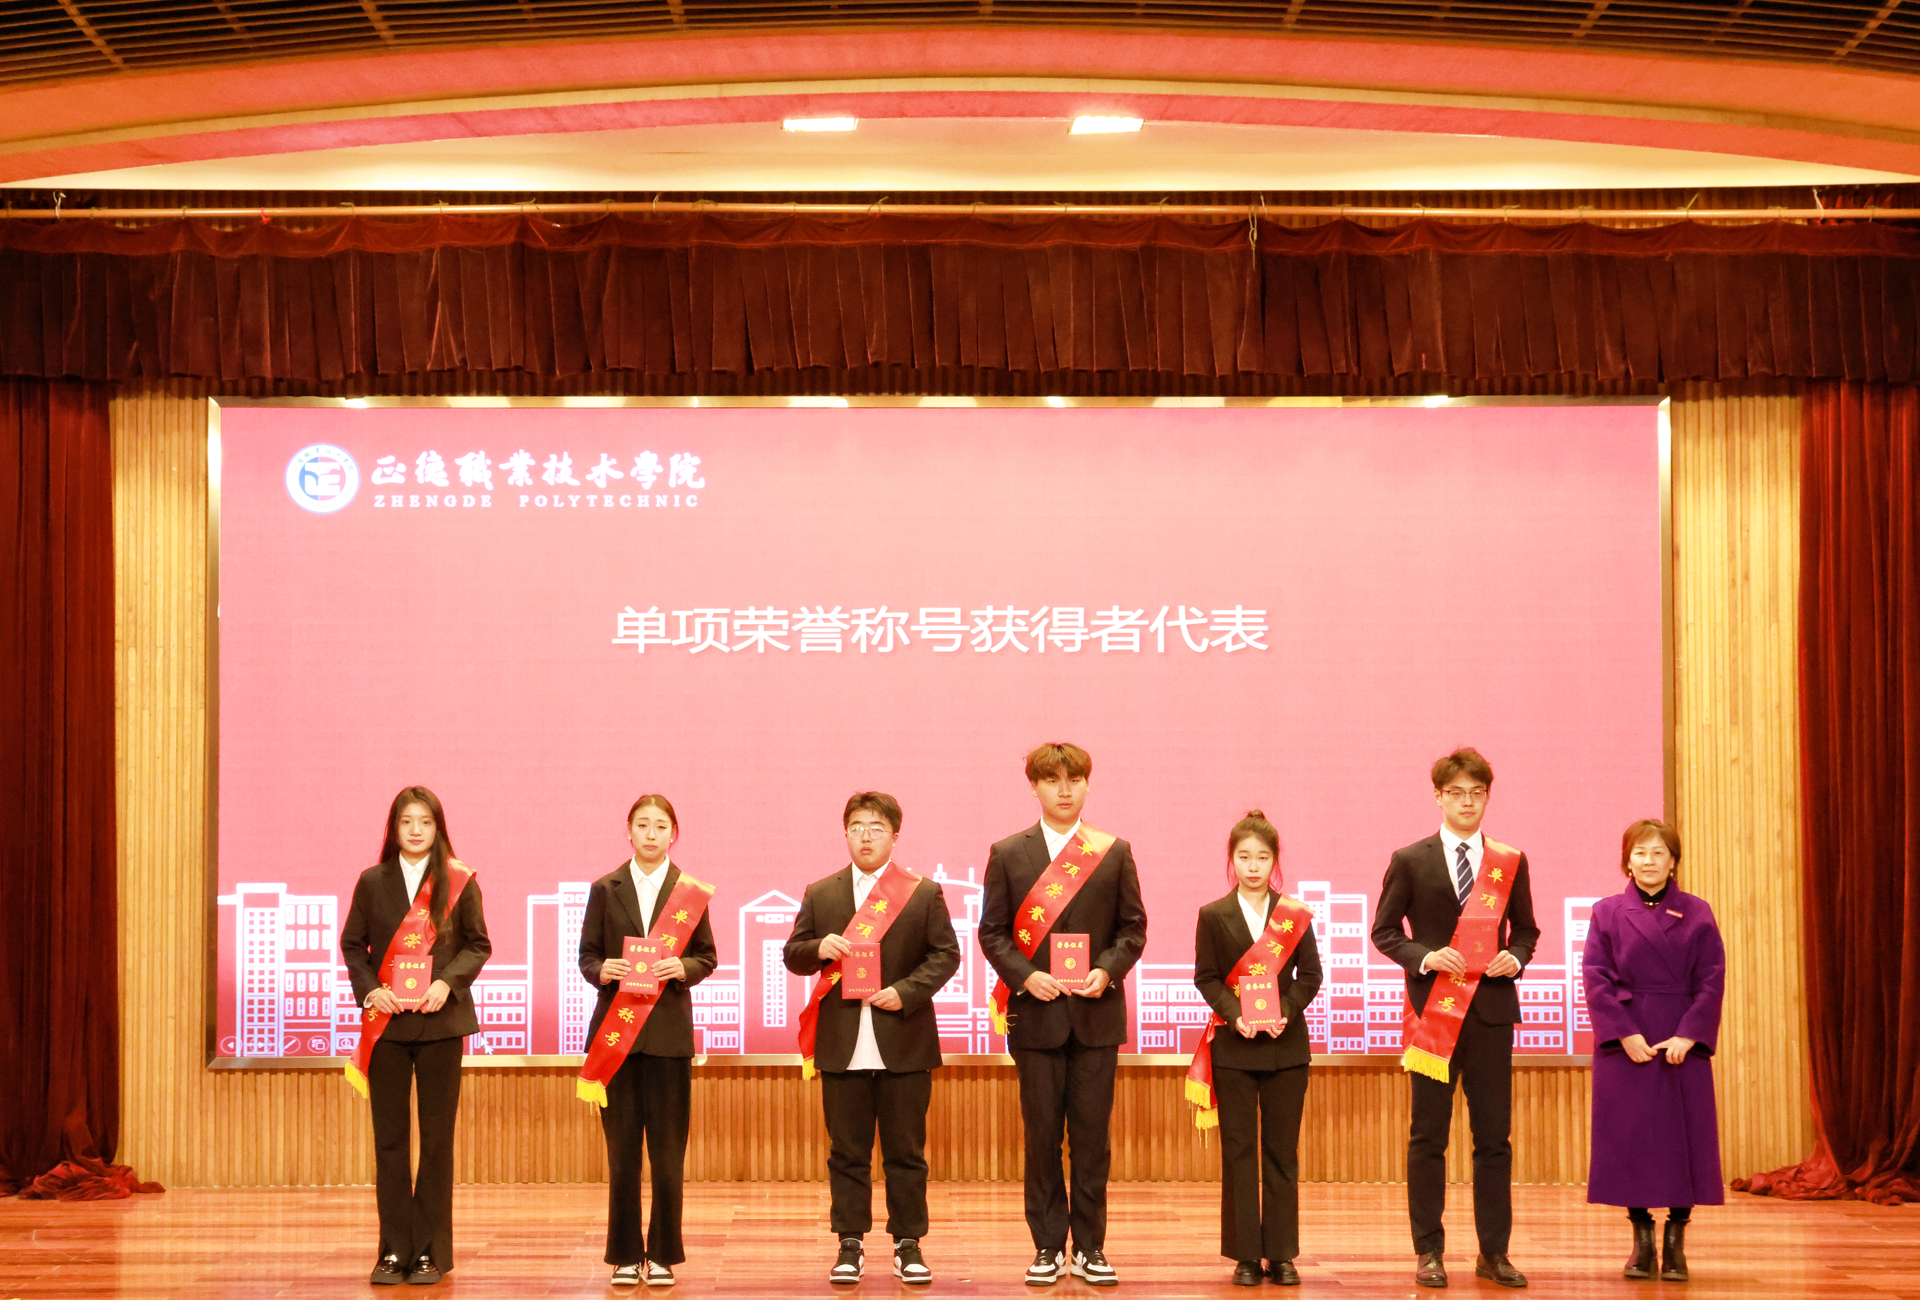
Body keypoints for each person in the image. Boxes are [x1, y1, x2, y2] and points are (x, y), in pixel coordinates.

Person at [979, 742, 1148, 1288]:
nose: (1064, 789)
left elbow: (1133, 929)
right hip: (1036, 1017)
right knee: (1042, 1136)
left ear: (1087, 784)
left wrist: (1107, 969)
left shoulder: (1113, 851)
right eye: (1052, 779)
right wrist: (1025, 976)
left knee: (1093, 1139)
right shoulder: (1009, 852)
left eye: (1074, 779)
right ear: (1034, 786)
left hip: (1096, 1017)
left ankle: (1091, 1247)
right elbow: (993, 933)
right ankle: (1048, 1246)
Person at [1371, 748, 1539, 1290]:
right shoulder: (1409, 859)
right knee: (1428, 1138)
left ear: (1487, 796)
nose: (1467, 802)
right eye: (1456, 793)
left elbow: (1527, 930)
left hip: (1491, 1014)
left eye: (1477, 793)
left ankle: (1494, 1252)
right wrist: (1424, 956)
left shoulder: (1509, 861)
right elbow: (1384, 931)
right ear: (1438, 797)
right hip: (1435, 1017)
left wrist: (1517, 957)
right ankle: (1429, 1251)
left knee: (1494, 1139)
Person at [784, 792, 960, 1288]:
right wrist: (818, 947)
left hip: (904, 1039)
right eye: (857, 826)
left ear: (895, 836)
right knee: (847, 1151)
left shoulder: (922, 893)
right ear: (845, 833)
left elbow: (945, 955)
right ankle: (850, 1242)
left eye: (877, 827)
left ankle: (909, 1243)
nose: (866, 836)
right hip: (842, 1042)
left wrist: (905, 992)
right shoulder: (822, 893)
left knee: (906, 1151)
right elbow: (793, 954)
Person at [341, 786, 492, 1287]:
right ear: (394, 827)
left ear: (438, 828)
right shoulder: (372, 881)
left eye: (425, 822)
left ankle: (429, 1251)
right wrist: (370, 991)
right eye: (407, 821)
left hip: (441, 1025)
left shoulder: (458, 880)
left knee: (436, 1142)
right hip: (387, 1026)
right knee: (389, 1141)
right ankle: (392, 1250)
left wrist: (447, 983)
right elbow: (353, 946)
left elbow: (478, 945)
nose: (415, 830)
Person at [576, 794, 718, 1288]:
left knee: (667, 1155)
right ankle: (624, 1254)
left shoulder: (690, 893)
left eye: (660, 826)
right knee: (622, 1156)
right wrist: (602, 970)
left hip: (668, 1037)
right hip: (615, 1038)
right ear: (629, 831)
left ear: (673, 834)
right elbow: (587, 955)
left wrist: (684, 966)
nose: (651, 834)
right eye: (642, 825)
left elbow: (707, 957)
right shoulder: (604, 888)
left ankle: (662, 1254)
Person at [1583, 818, 1725, 1283]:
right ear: (1627, 861)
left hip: (1680, 1039)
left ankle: (1676, 1239)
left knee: (1684, 1139)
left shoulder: (1698, 912)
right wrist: (1623, 1033)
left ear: (1673, 861)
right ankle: (1641, 1239)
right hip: (1628, 1042)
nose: (1649, 861)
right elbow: (1596, 978)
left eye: (1658, 852)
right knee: (1632, 1139)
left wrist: (1689, 1034)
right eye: (1640, 853)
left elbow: (1711, 979)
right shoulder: (1606, 912)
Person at [1188, 810, 1323, 1287]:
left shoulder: (1295, 916)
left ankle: (1281, 1254)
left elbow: (1311, 975)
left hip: (1287, 1048)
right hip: (1235, 1049)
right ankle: (1246, 1254)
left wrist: (1285, 1009)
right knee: (1239, 1152)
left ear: (1274, 861)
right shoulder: (1212, 915)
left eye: (1262, 858)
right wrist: (1234, 1014)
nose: (1252, 866)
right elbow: (1206, 977)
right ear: (1232, 859)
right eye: (1244, 857)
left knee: (1282, 1153)